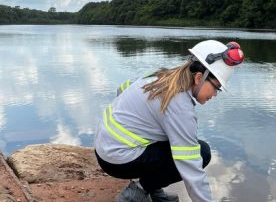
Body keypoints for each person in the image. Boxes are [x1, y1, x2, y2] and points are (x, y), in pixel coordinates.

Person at [94, 40, 244, 202]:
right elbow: (191, 165)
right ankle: (136, 193)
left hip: (104, 147)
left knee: (167, 132)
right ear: (199, 77)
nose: (215, 94)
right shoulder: (180, 107)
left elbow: (122, 89)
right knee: (202, 152)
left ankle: (152, 188)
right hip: (117, 160)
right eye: (216, 87)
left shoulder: (161, 75)